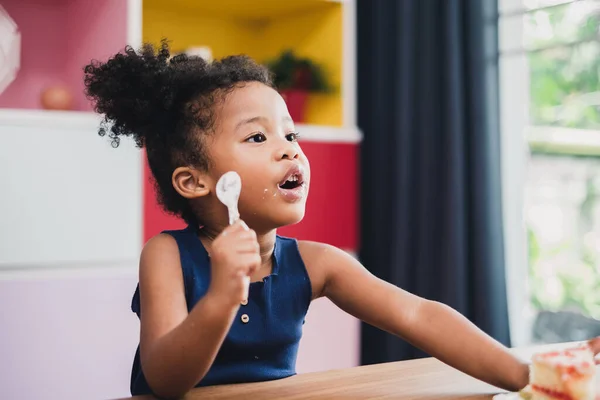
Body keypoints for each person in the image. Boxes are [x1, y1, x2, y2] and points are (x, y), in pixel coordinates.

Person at [83, 40, 600, 399]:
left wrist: (529, 376)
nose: (289, 151)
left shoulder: (319, 263)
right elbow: (166, 379)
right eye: (258, 138)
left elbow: (419, 316)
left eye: (291, 136)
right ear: (193, 181)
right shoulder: (167, 256)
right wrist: (221, 294)